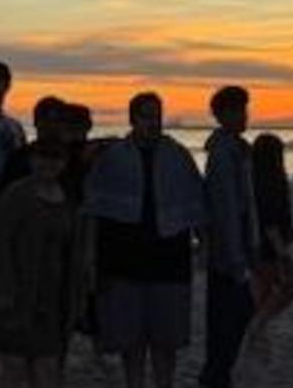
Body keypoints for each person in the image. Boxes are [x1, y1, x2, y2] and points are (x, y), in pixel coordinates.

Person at [84, 92, 207, 388]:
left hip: (170, 261)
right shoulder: (113, 156)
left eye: (157, 116)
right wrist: (91, 257)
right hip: (124, 262)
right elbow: (92, 207)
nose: (153, 122)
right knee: (131, 344)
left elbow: (198, 203)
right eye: (146, 116)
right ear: (133, 119)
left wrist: (205, 243)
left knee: (166, 343)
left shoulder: (178, 155)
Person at [0, 136, 90, 388]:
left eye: (55, 158)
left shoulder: (68, 198)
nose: (48, 163)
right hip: (18, 295)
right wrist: (5, 288)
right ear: (32, 160)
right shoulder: (17, 194)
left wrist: (77, 292)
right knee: (13, 367)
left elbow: (74, 249)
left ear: (64, 162)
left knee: (47, 368)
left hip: (53, 297)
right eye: (42, 157)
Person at [199, 85, 258, 388]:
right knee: (229, 320)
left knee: (233, 317)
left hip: (236, 249)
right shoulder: (224, 152)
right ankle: (215, 378)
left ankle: (218, 375)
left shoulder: (236, 148)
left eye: (244, 109)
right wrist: (237, 259)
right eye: (237, 110)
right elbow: (226, 209)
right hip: (228, 254)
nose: (244, 115)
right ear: (223, 115)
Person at [244, 133, 293, 356]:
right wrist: (282, 252)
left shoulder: (252, 179)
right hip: (269, 246)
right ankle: (258, 325)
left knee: (264, 291)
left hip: (255, 245)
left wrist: (291, 231)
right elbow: (270, 220)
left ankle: (258, 336)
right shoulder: (271, 181)